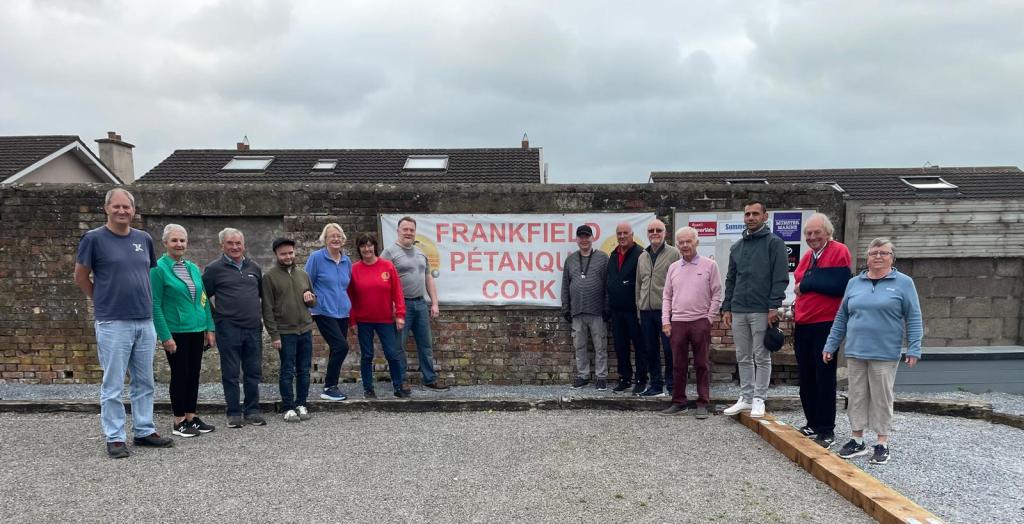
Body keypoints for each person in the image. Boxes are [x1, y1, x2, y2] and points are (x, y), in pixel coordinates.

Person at [74, 188, 173, 458]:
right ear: (106, 208)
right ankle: (115, 437)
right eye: (116, 206)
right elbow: (81, 276)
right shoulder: (93, 239)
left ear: (133, 210)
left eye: (126, 207)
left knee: (145, 381)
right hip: (113, 322)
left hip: (144, 320)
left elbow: (147, 274)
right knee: (113, 383)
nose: (122, 211)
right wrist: (101, 299)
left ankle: (144, 430)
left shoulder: (143, 238)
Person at [824, 238, 922, 465]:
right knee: (857, 396)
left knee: (881, 397)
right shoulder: (854, 283)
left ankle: (882, 442)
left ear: (892, 258)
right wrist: (831, 344)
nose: (878, 256)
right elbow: (842, 317)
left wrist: (914, 347)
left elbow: (914, 317)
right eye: (873, 252)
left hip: (885, 352)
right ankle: (857, 439)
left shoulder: (904, 283)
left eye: (883, 253)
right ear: (867, 257)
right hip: (856, 350)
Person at [721, 200, 789, 418]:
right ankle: (746, 398)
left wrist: (773, 306)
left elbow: (780, 277)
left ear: (765, 216)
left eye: (755, 214)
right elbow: (731, 279)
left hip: (762, 309)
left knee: (761, 356)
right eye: (747, 214)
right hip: (739, 309)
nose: (750, 217)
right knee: (742, 356)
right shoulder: (737, 247)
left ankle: (760, 398)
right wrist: (727, 307)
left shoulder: (775, 243)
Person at [150, 224, 217, 438]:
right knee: (180, 375)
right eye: (174, 240)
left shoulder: (192, 268)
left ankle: (191, 417)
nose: (179, 244)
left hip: (196, 329)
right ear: (165, 243)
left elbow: (203, 299)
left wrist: (210, 328)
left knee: (193, 374)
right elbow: (155, 304)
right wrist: (165, 336)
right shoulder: (158, 269)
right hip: (176, 332)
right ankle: (178, 420)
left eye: (182, 240)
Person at [792, 213, 852, 449]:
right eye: (808, 233)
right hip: (803, 322)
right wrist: (810, 280)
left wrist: (808, 282)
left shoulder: (839, 251)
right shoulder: (808, 256)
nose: (812, 237)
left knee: (824, 377)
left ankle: (826, 429)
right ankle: (812, 422)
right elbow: (800, 282)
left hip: (825, 323)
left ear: (827, 233)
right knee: (806, 376)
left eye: (817, 232)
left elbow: (838, 285)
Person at [202, 228, 265, 428]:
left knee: (253, 371)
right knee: (230, 373)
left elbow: (260, 294)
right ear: (222, 245)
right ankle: (234, 412)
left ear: (244, 245)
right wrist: (214, 319)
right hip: (228, 329)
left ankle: (252, 410)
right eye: (230, 243)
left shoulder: (254, 267)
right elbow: (202, 298)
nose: (235, 247)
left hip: (253, 328)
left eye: (238, 243)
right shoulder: (213, 269)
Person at [659, 227, 722, 420]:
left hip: (700, 321)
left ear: (697, 242)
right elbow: (666, 296)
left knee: (702, 364)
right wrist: (666, 321)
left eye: (689, 241)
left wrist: (708, 319)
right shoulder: (673, 268)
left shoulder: (710, 265)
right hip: (678, 322)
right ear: (677, 245)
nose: (685, 245)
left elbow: (717, 294)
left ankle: (703, 403)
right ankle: (679, 402)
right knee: (678, 364)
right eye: (681, 242)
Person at [382, 217, 448, 391]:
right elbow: (382, 281)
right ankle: (401, 380)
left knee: (426, 344)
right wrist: (391, 304)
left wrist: (434, 303)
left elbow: (428, 278)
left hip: (420, 304)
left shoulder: (421, 253)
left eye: (411, 230)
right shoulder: (389, 253)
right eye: (405, 229)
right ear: (398, 231)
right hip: (401, 306)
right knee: (399, 346)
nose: (408, 233)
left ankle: (429, 378)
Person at [262, 238, 318, 423]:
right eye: (283, 254)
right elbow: (267, 308)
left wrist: (311, 299)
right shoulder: (269, 277)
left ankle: (301, 404)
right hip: (285, 332)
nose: (288, 257)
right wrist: (274, 335)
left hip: (305, 330)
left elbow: (313, 302)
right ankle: (288, 407)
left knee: (304, 370)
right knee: (287, 370)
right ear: (276, 255)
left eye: (290, 253)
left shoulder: (303, 274)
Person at [349, 233, 408, 398]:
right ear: (359, 249)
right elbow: (350, 297)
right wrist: (352, 321)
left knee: (392, 354)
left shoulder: (387, 266)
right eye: (363, 246)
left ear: (375, 247)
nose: (367, 249)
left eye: (370, 245)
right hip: (363, 321)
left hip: (385, 320)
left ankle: (398, 386)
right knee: (367, 355)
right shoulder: (353, 269)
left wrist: (400, 314)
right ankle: (368, 389)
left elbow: (397, 292)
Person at [306, 223, 353, 402]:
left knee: (336, 348)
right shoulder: (316, 258)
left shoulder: (346, 261)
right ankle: (329, 386)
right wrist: (309, 301)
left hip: (342, 312)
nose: (336, 239)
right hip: (323, 310)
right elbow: (306, 282)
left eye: (338, 236)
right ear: (325, 239)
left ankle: (332, 387)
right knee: (341, 346)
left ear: (343, 240)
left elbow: (346, 285)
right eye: (332, 236)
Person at [562, 224, 610, 390]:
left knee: (600, 346)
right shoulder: (570, 260)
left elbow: (608, 284)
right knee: (579, 346)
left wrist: (607, 306)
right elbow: (565, 285)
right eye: (581, 237)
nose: (584, 240)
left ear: (592, 238)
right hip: (577, 311)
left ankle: (601, 377)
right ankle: (583, 376)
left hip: (597, 311)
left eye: (587, 236)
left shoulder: (603, 258)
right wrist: (566, 307)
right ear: (577, 239)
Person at [635, 218, 680, 397]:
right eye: (651, 230)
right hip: (646, 311)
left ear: (665, 233)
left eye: (658, 230)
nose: (655, 233)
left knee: (669, 350)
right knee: (650, 350)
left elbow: (679, 284)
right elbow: (639, 285)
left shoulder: (674, 254)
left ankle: (672, 385)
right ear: (647, 234)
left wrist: (674, 310)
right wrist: (639, 308)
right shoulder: (642, 257)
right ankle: (655, 385)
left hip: (666, 312)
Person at [607, 222, 647, 394]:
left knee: (639, 346)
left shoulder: (641, 254)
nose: (622, 236)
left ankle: (641, 379)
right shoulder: (613, 255)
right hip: (616, 310)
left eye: (625, 233)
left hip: (634, 310)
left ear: (632, 235)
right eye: (619, 233)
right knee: (620, 346)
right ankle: (624, 378)